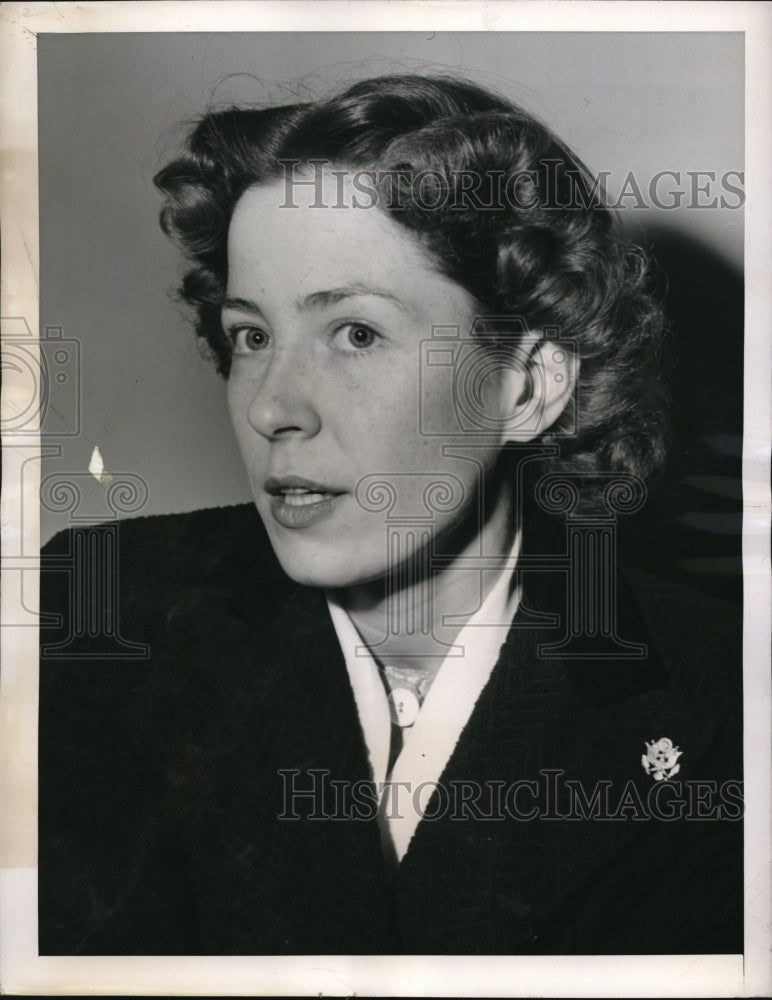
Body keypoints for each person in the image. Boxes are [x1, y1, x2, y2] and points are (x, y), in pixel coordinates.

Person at [38, 74, 742, 955]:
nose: (271, 408)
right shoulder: (101, 618)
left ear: (527, 388)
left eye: (357, 334)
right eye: (251, 335)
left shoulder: (721, 693)